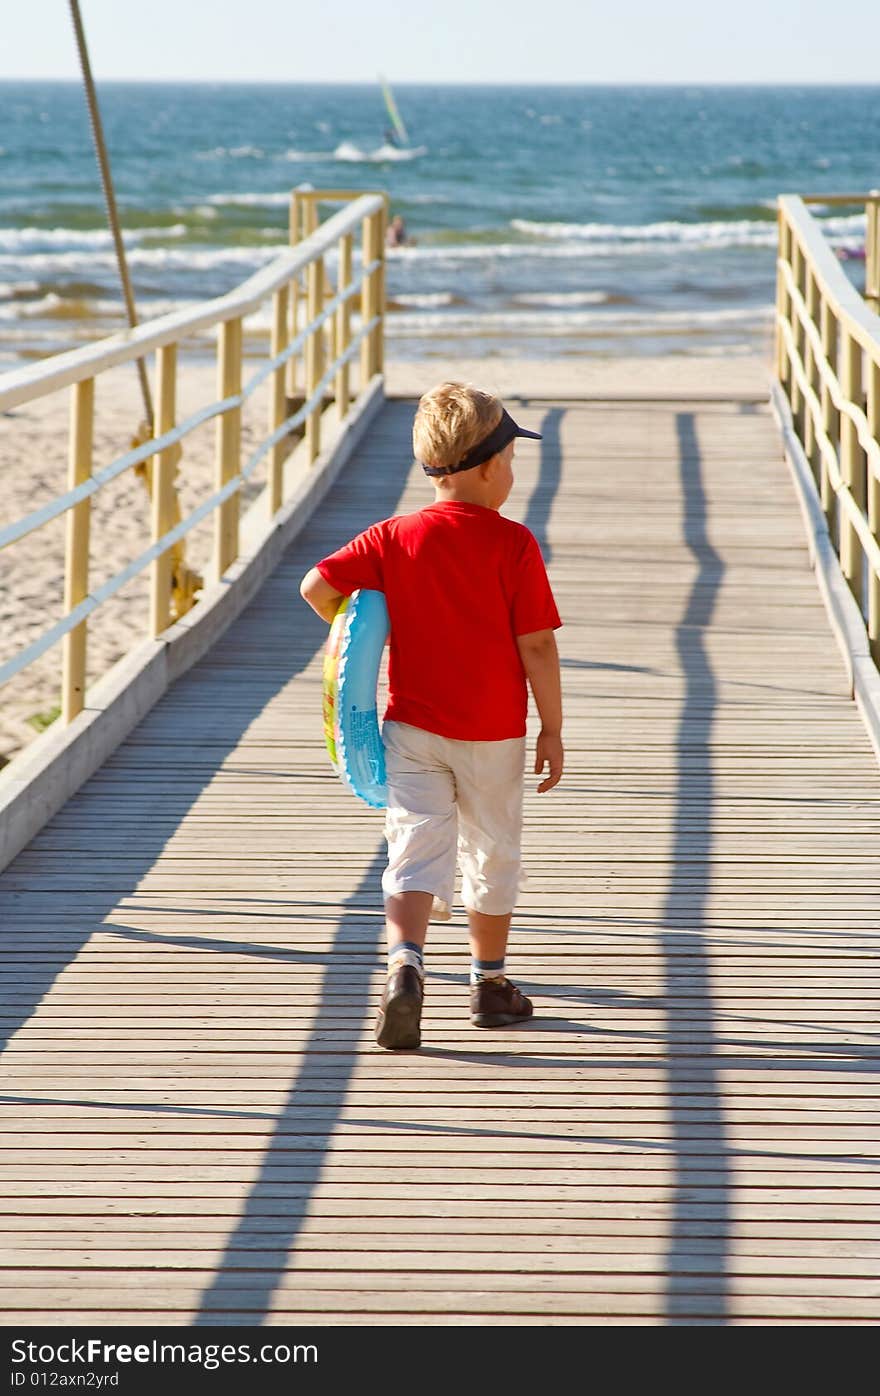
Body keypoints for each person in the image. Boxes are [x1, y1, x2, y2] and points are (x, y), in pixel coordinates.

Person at [299, 381, 564, 1050]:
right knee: (491, 850)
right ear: (484, 468)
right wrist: (552, 728)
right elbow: (536, 643)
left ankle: (404, 968)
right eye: (509, 461)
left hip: (411, 728)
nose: (511, 474)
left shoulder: (393, 536)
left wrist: (362, 628)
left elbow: (316, 587)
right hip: (493, 733)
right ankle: (489, 983)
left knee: (414, 847)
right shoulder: (514, 545)